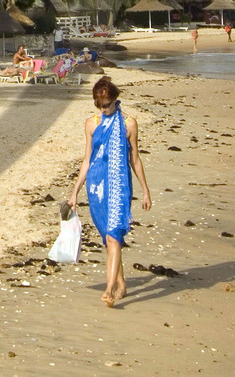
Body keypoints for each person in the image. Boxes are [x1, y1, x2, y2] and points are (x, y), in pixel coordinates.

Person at [66, 76, 151, 307]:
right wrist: (75, 192)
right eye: (99, 105)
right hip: (96, 188)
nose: (103, 109)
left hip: (119, 187)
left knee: (114, 237)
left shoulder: (129, 124)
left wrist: (145, 191)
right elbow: (86, 159)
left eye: (107, 105)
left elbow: (135, 158)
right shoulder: (91, 123)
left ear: (116, 100)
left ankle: (109, 289)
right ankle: (122, 284)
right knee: (109, 239)